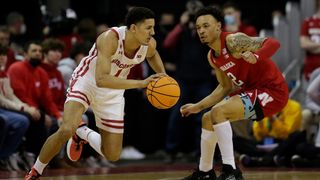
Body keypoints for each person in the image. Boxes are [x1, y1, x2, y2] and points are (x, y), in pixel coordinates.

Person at [25, 7, 166, 179]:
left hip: (113, 91)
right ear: (134, 28)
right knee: (66, 128)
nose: (152, 32)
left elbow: (153, 55)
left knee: (112, 154)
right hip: (87, 82)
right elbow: (101, 79)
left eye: (153, 27)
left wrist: (163, 76)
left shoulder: (148, 44)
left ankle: (82, 133)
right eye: (148, 28)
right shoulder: (110, 39)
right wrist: (141, 83)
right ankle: (35, 171)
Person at [181, 6, 288, 180]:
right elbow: (224, 88)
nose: (201, 30)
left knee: (219, 112)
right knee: (207, 118)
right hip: (251, 91)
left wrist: (257, 56)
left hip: (272, 91)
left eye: (206, 25)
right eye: (198, 27)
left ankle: (231, 171)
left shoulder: (233, 41)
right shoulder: (212, 56)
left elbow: (273, 43)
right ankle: (205, 172)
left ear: (218, 26)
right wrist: (197, 106)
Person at [300, 0, 320, 81]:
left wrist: (312, 46)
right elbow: (303, 44)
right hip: (311, 71)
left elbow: (308, 44)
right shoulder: (308, 22)